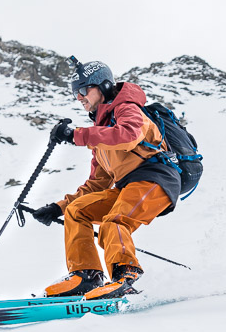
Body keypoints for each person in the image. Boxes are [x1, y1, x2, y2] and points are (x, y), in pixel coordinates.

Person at [31, 60, 181, 300]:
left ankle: (126, 276)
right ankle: (86, 276)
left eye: (83, 90)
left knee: (115, 221)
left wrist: (75, 135)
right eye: (75, 93)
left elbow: (129, 135)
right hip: (128, 186)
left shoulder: (127, 108)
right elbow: (96, 185)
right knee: (78, 210)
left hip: (156, 179)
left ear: (104, 86)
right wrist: (58, 208)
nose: (79, 97)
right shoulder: (101, 134)